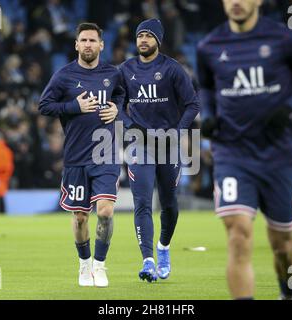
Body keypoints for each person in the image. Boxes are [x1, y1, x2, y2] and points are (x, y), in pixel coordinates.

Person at [197, 0, 292, 299]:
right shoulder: (209, 46)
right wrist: (209, 113)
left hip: (279, 154)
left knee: (282, 245)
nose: (236, 2)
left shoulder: (283, 38)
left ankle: (289, 294)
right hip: (232, 153)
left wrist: (291, 107)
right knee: (238, 234)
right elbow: (205, 86)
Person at [38, 22, 125, 287]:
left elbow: (122, 97)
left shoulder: (113, 74)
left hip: (105, 153)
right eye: (83, 40)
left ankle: (100, 265)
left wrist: (117, 110)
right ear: (76, 44)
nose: (88, 45)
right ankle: (84, 264)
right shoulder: (63, 75)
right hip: (76, 155)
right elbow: (44, 105)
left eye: (92, 40)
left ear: (101, 45)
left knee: (106, 211)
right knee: (80, 217)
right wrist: (73, 106)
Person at [119, 19, 199, 282]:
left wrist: (178, 131)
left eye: (148, 36)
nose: (142, 40)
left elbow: (192, 104)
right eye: (139, 35)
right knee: (142, 203)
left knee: (169, 205)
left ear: (158, 41)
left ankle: (163, 248)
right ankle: (148, 261)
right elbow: (116, 105)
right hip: (139, 145)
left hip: (168, 145)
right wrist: (131, 125)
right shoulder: (126, 69)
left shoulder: (172, 69)